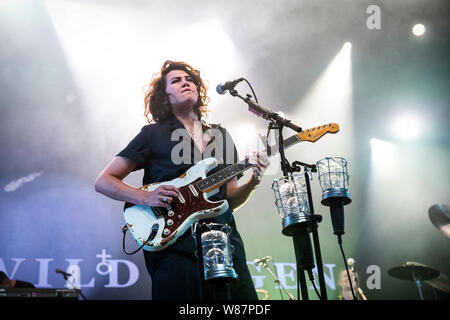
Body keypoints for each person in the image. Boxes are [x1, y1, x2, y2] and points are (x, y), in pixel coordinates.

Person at [95, 60, 269, 300]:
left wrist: (253, 180)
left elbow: (230, 199)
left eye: (189, 80)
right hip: (174, 243)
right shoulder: (152, 134)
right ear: (165, 97)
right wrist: (146, 196)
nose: (185, 82)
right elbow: (104, 181)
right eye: (176, 81)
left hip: (223, 242)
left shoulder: (220, 135)